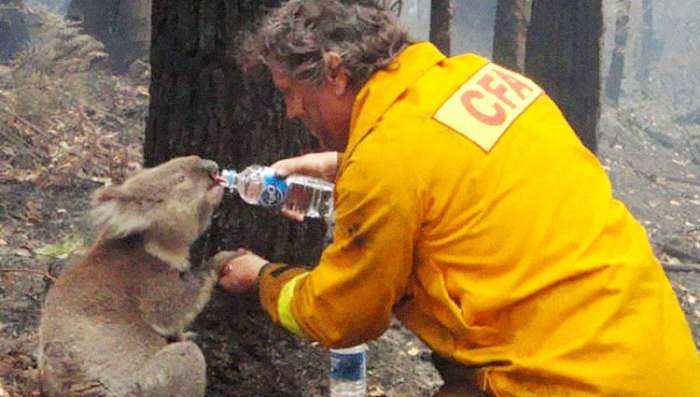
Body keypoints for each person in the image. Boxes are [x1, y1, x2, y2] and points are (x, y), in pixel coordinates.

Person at [218, 1, 700, 396]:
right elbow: (457, 178)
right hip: (657, 355)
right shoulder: (476, 79)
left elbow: (342, 315)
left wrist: (262, 277)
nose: (291, 110)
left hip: (568, 381)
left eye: (291, 92)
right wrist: (342, 166)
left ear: (336, 73)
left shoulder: (387, 162)